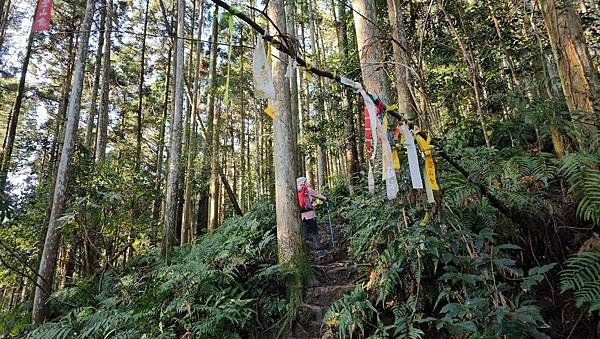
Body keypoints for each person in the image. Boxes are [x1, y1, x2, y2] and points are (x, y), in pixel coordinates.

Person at [296, 177, 327, 259]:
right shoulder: (308, 190)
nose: (308, 182)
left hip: (301, 217)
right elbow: (318, 196)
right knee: (314, 232)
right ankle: (320, 252)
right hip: (310, 215)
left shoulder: (296, 192)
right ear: (304, 182)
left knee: (304, 235)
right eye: (306, 181)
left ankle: (305, 254)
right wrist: (325, 199)